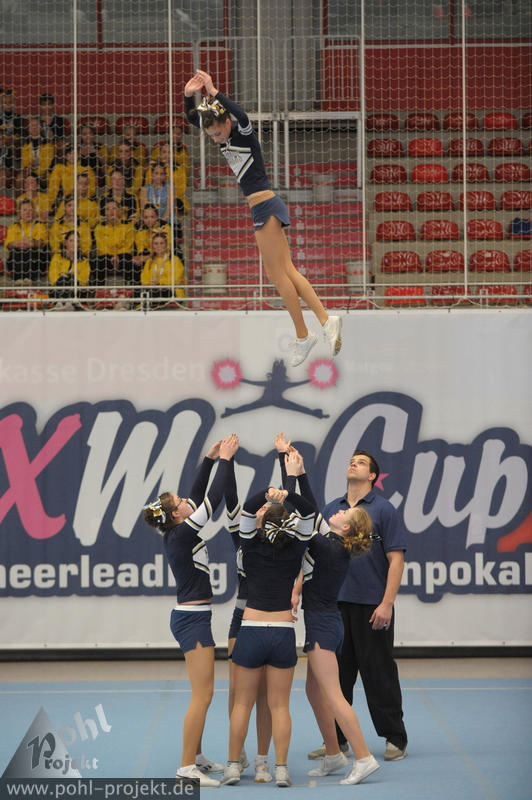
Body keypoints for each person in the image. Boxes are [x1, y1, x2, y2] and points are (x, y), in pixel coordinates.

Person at [184, 69, 342, 367]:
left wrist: (214, 91)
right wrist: (188, 95)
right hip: (265, 205)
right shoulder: (221, 135)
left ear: (226, 123)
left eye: (218, 133)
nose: (216, 139)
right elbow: (194, 118)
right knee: (288, 271)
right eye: (211, 136)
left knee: (277, 276)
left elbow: (243, 116)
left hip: (264, 206)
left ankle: (303, 335)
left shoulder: (243, 134)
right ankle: (325, 320)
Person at [275, 440, 380, 785]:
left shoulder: (328, 547)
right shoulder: (331, 541)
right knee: (313, 691)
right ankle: (334, 754)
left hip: (322, 624)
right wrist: (299, 472)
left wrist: (289, 482)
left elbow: (304, 513)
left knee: (333, 695)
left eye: (343, 514)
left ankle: (363, 757)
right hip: (324, 622)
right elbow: (314, 511)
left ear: (346, 528)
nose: (337, 512)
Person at [143, 434, 239, 789]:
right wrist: (226, 460)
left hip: (195, 617)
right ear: (175, 514)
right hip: (191, 619)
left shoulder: (178, 529)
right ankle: (186, 767)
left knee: (202, 693)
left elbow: (198, 495)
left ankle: (196, 756)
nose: (187, 500)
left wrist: (210, 459)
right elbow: (211, 501)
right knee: (204, 694)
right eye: (180, 501)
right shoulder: (182, 534)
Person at [307, 449, 408, 763]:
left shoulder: (384, 510)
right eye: (352, 460)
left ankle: (394, 738)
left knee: (379, 673)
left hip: (371, 605)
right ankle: (337, 741)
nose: (354, 463)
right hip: (334, 606)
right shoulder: (332, 509)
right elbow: (315, 556)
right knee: (336, 677)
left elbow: (396, 560)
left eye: (362, 462)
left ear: (373, 476)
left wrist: (387, 603)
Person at [221, 472, 315, 788]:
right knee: (279, 706)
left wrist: (269, 492)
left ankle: (232, 767)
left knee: (242, 703)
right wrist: (288, 494)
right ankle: (281, 769)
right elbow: (310, 512)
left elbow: (248, 509)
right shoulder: (296, 549)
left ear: (263, 525)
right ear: (289, 525)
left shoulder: (249, 544)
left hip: (250, 629)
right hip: (282, 632)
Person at [224, 454, 273, 784]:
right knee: (237, 690)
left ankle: (262, 760)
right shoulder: (242, 538)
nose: (261, 510)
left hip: (270, 617)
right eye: (259, 508)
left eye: (268, 509)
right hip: (241, 616)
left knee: (265, 695)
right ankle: (237, 752)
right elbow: (232, 501)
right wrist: (226, 463)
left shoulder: (283, 542)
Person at [4, 198, 49, 283]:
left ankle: (26, 279)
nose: (28, 212)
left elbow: (40, 242)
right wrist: (17, 244)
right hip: (18, 257)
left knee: (30, 251)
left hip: (35, 259)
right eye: (24, 210)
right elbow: (8, 245)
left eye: (30, 210)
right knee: (16, 251)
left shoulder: (40, 225)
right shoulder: (13, 226)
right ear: (19, 213)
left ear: (34, 212)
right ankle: (19, 279)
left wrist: (30, 244)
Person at [92, 199, 135, 285]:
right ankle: (98, 290)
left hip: (123, 256)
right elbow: (101, 248)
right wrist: (112, 257)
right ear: (105, 213)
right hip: (106, 257)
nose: (111, 211)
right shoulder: (99, 227)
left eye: (114, 208)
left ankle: (130, 288)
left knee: (131, 262)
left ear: (120, 211)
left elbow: (128, 247)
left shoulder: (129, 226)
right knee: (96, 264)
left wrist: (117, 256)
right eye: (108, 209)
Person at [140, 232, 186, 300]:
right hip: (153, 291)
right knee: (143, 292)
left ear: (166, 244)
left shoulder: (175, 260)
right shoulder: (149, 261)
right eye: (156, 243)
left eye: (162, 243)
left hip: (171, 292)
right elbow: (144, 278)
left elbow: (175, 279)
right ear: (152, 246)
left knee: (158, 293)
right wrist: (149, 284)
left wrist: (158, 283)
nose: (159, 246)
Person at [48, 228, 91, 302]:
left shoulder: (84, 260)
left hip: (77, 290)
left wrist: (70, 277)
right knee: (62, 281)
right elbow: (53, 278)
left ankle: (66, 303)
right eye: (71, 241)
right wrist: (65, 278)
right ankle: (64, 303)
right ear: (65, 243)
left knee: (72, 281)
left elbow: (83, 280)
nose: (74, 244)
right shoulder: (57, 257)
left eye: (77, 241)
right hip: (59, 287)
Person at [133, 204, 171, 274]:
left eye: (152, 217)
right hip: (149, 256)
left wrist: (145, 258)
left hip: (164, 255)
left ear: (157, 217)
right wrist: (139, 258)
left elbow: (167, 250)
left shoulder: (164, 227)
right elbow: (140, 249)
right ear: (142, 218)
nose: (149, 220)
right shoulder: (140, 231)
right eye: (146, 217)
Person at [20, 116, 55, 183]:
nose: (34, 127)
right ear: (28, 128)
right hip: (29, 172)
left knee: (44, 178)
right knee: (20, 178)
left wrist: (36, 172)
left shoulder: (48, 144)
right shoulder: (25, 145)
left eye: (36, 125)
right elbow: (25, 162)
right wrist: (28, 168)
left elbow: (47, 164)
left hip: (44, 173)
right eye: (32, 125)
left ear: (41, 127)